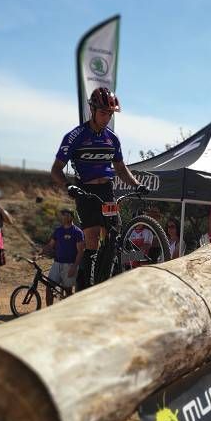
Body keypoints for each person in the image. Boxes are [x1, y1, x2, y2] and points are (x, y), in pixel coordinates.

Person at [50, 87, 145, 290]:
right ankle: (84, 288)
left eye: (110, 113)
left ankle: (106, 278)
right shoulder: (75, 136)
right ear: (92, 110)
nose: (107, 117)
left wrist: (137, 184)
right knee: (91, 237)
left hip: (107, 190)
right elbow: (56, 170)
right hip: (85, 191)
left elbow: (120, 168)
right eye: (103, 112)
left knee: (114, 234)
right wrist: (69, 187)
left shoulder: (112, 138)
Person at [40, 208, 84, 304]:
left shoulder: (77, 232)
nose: (64, 216)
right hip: (57, 263)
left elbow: (80, 251)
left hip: (70, 265)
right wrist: (42, 252)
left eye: (66, 214)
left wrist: (74, 267)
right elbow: (50, 245)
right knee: (49, 287)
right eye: (63, 214)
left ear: (72, 217)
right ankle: (49, 312)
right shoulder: (58, 231)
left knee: (68, 291)